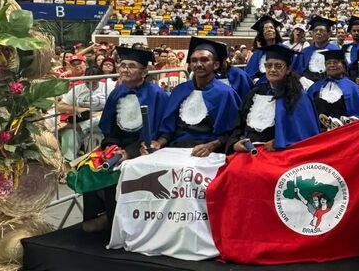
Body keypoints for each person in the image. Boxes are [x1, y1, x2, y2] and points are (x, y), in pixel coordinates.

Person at [82, 47, 168, 232]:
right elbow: (109, 126)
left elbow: (159, 131)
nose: (125, 70)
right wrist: (111, 147)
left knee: (118, 168)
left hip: (144, 146)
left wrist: (128, 152)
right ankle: (95, 215)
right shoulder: (117, 93)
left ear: (144, 72)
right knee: (90, 165)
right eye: (122, 65)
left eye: (132, 66)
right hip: (118, 144)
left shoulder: (157, 94)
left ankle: (115, 223)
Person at [217, 45, 320, 153]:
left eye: (278, 66)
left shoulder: (299, 97)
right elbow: (238, 125)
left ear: (288, 69)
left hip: (280, 153)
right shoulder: (255, 92)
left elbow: (304, 134)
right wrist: (234, 144)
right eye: (268, 65)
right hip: (248, 152)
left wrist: (280, 142)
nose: (272, 69)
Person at [150, 38, 241, 154]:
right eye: (194, 60)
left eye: (204, 60)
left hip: (210, 150)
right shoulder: (179, 90)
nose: (198, 64)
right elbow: (169, 129)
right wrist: (159, 143)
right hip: (176, 148)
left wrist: (211, 146)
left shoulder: (226, 93)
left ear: (216, 65)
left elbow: (231, 132)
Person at [306, 50, 359, 131]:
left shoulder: (353, 88)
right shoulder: (315, 87)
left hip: (345, 131)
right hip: (320, 132)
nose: (332, 65)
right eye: (328, 63)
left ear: (343, 66)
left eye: (335, 62)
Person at [292, 16, 340, 85]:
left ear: (329, 34)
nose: (318, 32)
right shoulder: (305, 52)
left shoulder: (335, 51)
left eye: (321, 30)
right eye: (315, 30)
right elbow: (296, 72)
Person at [245, 15, 284, 80]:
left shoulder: (284, 49)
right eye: (265, 28)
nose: (269, 30)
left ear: (275, 31)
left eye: (271, 27)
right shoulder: (257, 53)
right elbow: (249, 74)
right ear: (262, 33)